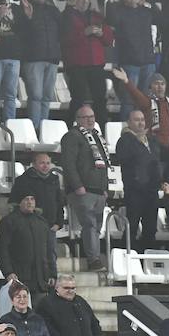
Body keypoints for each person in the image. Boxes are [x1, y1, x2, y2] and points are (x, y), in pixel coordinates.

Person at [61, 105, 111, 270]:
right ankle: (93, 260)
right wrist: (78, 186)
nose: (90, 120)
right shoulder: (72, 136)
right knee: (89, 224)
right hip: (83, 190)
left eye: (92, 116)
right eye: (85, 117)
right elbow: (68, 164)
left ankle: (94, 256)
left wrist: (105, 188)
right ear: (77, 120)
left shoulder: (97, 136)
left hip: (98, 190)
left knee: (96, 226)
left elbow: (103, 164)